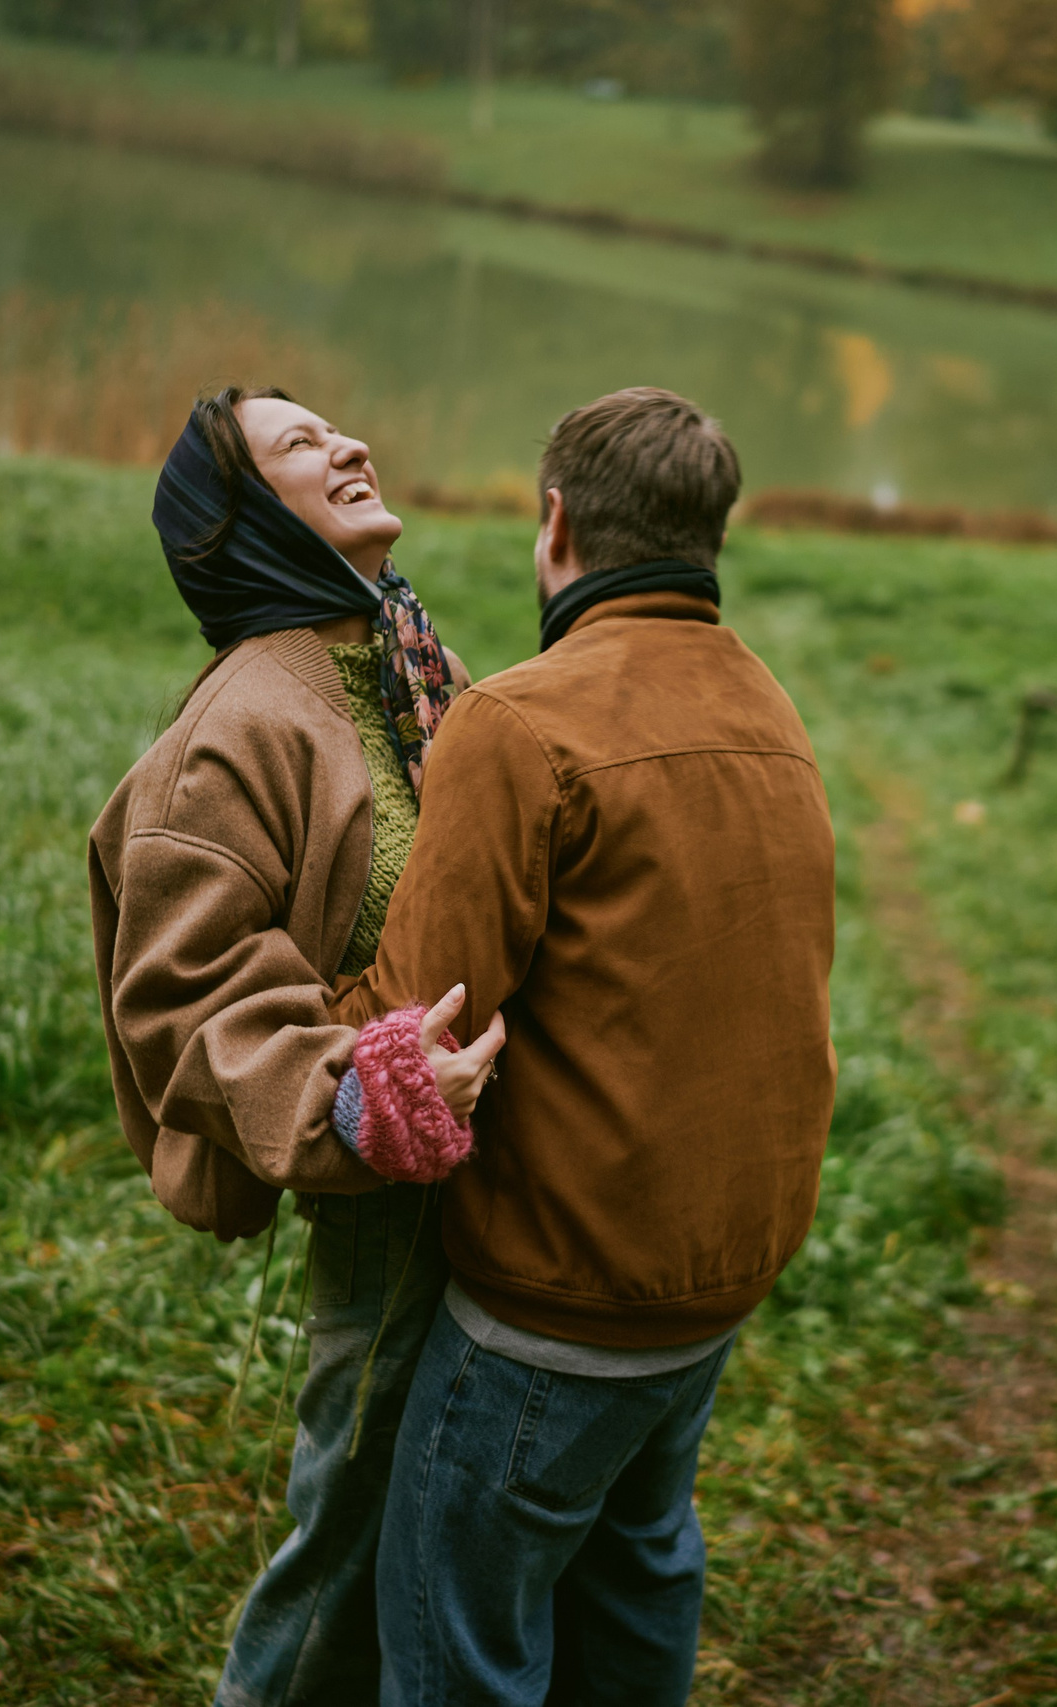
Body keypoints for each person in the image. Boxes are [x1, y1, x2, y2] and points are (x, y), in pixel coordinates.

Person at [334, 387, 839, 1706]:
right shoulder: (776, 715)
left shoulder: (519, 722)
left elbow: (414, 1018)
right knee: (636, 1575)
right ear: (708, 536)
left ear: (555, 521)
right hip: (714, 1287)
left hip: (555, 1307)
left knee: (461, 1647)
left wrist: (278, 1007)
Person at [87, 385, 504, 1707]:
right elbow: (182, 997)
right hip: (388, 1195)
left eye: (341, 427)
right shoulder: (244, 721)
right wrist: (360, 1099)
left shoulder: (401, 656)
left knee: (462, 1527)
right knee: (353, 1530)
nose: (351, 444)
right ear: (240, 521)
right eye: (301, 445)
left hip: (500, 1172)